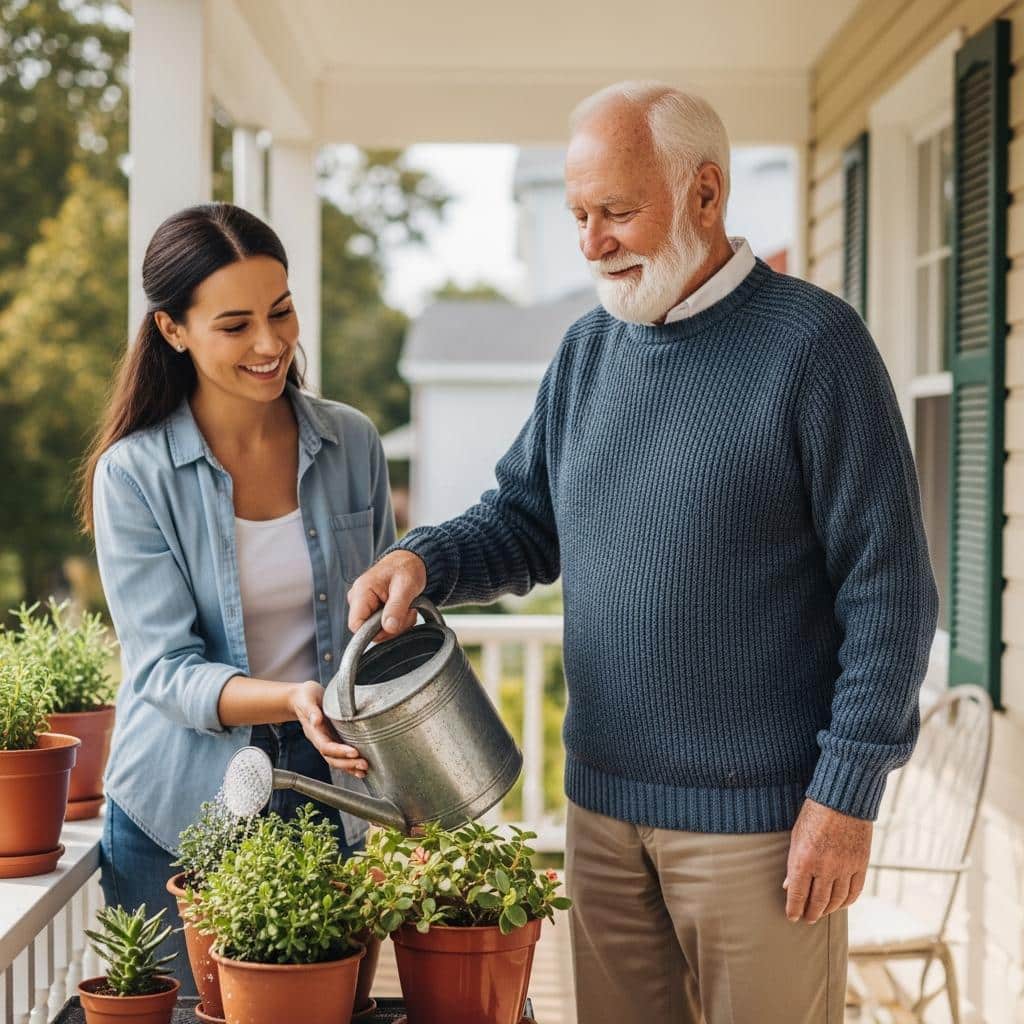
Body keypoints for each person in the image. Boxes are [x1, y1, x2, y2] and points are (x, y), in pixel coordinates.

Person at [345, 83, 939, 1023]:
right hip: (603, 816)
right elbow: (526, 521)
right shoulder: (587, 353)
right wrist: (428, 561)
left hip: (766, 828)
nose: (591, 243)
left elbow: (892, 594)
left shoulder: (816, 347)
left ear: (705, 194)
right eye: (580, 215)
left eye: (617, 212)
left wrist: (847, 795)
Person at [79, 203, 392, 994]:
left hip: (333, 790)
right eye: (236, 324)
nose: (270, 344)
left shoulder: (352, 442)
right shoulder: (134, 475)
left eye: (281, 312)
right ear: (173, 331)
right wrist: (292, 697)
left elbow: (384, 626)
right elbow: (165, 670)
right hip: (179, 802)